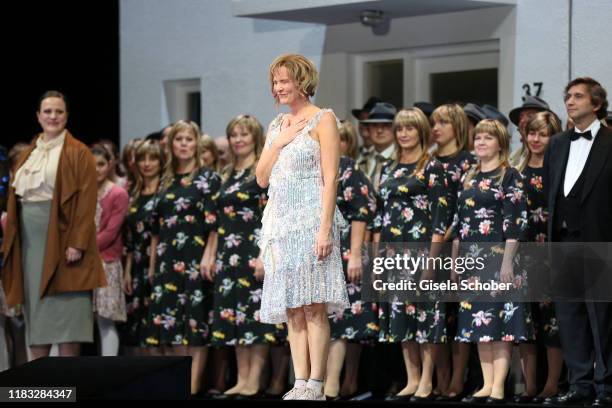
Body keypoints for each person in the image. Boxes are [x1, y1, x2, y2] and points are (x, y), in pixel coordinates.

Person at [256, 53, 349, 401]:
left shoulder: (323, 119)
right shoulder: (277, 125)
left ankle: (317, 384)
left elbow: (331, 179)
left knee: (313, 305)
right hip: (281, 226)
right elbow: (261, 178)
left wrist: (325, 230)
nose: (278, 88)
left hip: (312, 222)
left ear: (302, 82)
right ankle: (299, 381)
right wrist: (278, 143)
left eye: (284, 81)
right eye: (275, 82)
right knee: (292, 308)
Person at [1, 90, 106, 359]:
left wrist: (78, 242)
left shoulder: (77, 152)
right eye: (47, 111)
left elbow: (86, 199)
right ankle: (40, 390)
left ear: (67, 116)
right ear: (38, 116)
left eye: (59, 111)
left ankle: (66, 391)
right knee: (36, 317)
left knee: (68, 319)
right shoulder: (27, 154)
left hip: (63, 240)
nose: (53, 116)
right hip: (31, 243)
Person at [374, 108, 451, 401]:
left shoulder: (432, 167)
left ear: (421, 132)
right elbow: (381, 217)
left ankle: (427, 380)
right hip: (393, 252)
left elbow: (440, 219)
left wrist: (432, 261)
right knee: (400, 317)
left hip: (422, 250)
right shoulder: (389, 168)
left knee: (426, 317)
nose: (404, 134)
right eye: (400, 129)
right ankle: (412, 378)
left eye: (410, 129)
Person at [453, 119, 533, 403]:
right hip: (472, 259)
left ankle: (499, 384)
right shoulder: (470, 175)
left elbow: (515, 223)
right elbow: (459, 224)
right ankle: (486, 383)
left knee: (500, 322)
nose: (481, 143)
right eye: (477, 138)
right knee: (479, 323)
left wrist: (508, 263)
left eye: (487, 138)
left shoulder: (509, 176)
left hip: (500, 258)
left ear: (500, 143)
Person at [543, 77, 612, 407]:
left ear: (596, 104)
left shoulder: (611, 141)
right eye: (567, 96)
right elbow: (551, 193)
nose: (570, 101)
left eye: (578, 96)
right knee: (569, 318)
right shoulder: (557, 145)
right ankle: (580, 384)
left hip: (600, 240)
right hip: (563, 241)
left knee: (603, 320)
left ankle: (607, 386)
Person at [205, 114, 280, 398]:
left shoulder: (263, 171)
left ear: (255, 138)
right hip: (228, 253)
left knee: (254, 318)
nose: (238, 140)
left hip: (254, 249)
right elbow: (215, 221)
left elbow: (273, 216)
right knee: (233, 316)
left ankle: (254, 381)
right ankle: (242, 378)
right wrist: (211, 255)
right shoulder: (225, 174)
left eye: (243, 135)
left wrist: (265, 254)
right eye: (234, 135)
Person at [147, 120, 220, 395]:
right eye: (179, 140)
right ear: (171, 144)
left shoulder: (208, 179)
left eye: (189, 140)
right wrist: (153, 266)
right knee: (171, 323)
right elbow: (155, 230)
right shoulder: (164, 181)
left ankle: (192, 386)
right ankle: (177, 383)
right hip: (167, 260)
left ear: (197, 143)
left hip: (195, 257)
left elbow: (215, 225)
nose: (184, 145)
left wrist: (208, 257)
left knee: (195, 323)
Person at [513, 111, 563, 404]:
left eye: (542, 133)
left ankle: (552, 383)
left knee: (552, 321)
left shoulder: (558, 166)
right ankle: (530, 385)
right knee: (526, 320)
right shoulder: (517, 166)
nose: (535, 139)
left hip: (550, 250)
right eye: (531, 133)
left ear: (552, 136)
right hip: (521, 250)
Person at [325, 123, 378, 400]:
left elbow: (362, 211)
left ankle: (334, 383)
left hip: (345, 251)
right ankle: (339, 383)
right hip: (321, 253)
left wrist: (355, 254)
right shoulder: (316, 168)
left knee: (342, 320)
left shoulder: (347, 168)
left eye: (341, 139)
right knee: (333, 320)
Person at [429, 104, 477, 401]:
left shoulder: (469, 162)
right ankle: (441, 378)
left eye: (443, 122)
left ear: (457, 126)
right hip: (431, 245)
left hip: (457, 244)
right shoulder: (430, 161)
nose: (436, 128)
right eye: (434, 122)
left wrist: (445, 238)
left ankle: (459, 379)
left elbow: (464, 209)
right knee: (435, 316)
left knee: (459, 316)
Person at [120, 139, 163, 355]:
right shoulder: (134, 193)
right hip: (136, 264)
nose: (147, 164)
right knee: (136, 324)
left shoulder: (164, 192)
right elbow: (129, 237)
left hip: (157, 262)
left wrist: (153, 268)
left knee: (154, 322)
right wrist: (127, 272)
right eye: (142, 159)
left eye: (152, 158)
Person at [91, 144, 129, 357]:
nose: (96, 169)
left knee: (106, 320)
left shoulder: (117, 193)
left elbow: (111, 232)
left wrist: (84, 249)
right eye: (91, 164)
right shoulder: (82, 193)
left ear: (109, 165)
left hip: (106, 262)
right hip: (82, 264)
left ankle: (108, 370)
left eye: (101, 164)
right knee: (88, 323)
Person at [359, 102, 398, 188]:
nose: (380, 130)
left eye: (386, 125)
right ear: (368, 129)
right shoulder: (361, 160)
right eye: (374, 125)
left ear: (395, 129)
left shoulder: (402, 159)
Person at [509, 96, 551, 167]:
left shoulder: (554, 156)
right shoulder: (514, 156)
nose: (522, 120)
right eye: (521, 117)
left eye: (530, 116)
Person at [352, 97, 381, 166]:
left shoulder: (386, 155)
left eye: (369, 121)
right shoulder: (352, 154)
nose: (364, 125)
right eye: (362, 120)